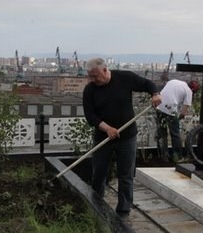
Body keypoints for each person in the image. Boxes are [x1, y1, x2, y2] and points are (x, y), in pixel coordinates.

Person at [82, 58, 161, 217]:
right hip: (103, 138)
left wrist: (155, 94)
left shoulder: (124, 78)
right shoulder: (90, 90)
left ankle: (123, 210)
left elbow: (148, 84)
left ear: (105, 70)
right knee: (99, 173)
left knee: (126, 174)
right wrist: (107, 128)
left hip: (127, 137)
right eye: (90, 76)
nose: (93, 80)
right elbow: (90, 116)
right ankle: (96, 206)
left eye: (95, 76)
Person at [155, 79, 197, 160]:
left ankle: (163, 156)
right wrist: (178, 118)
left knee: (162, 133)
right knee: (175, 134)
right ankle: (177, 156)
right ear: (193, 90)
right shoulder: (189, 91)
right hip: (171, 109)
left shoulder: (173, 81)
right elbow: (183, 112)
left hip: (159, 106)